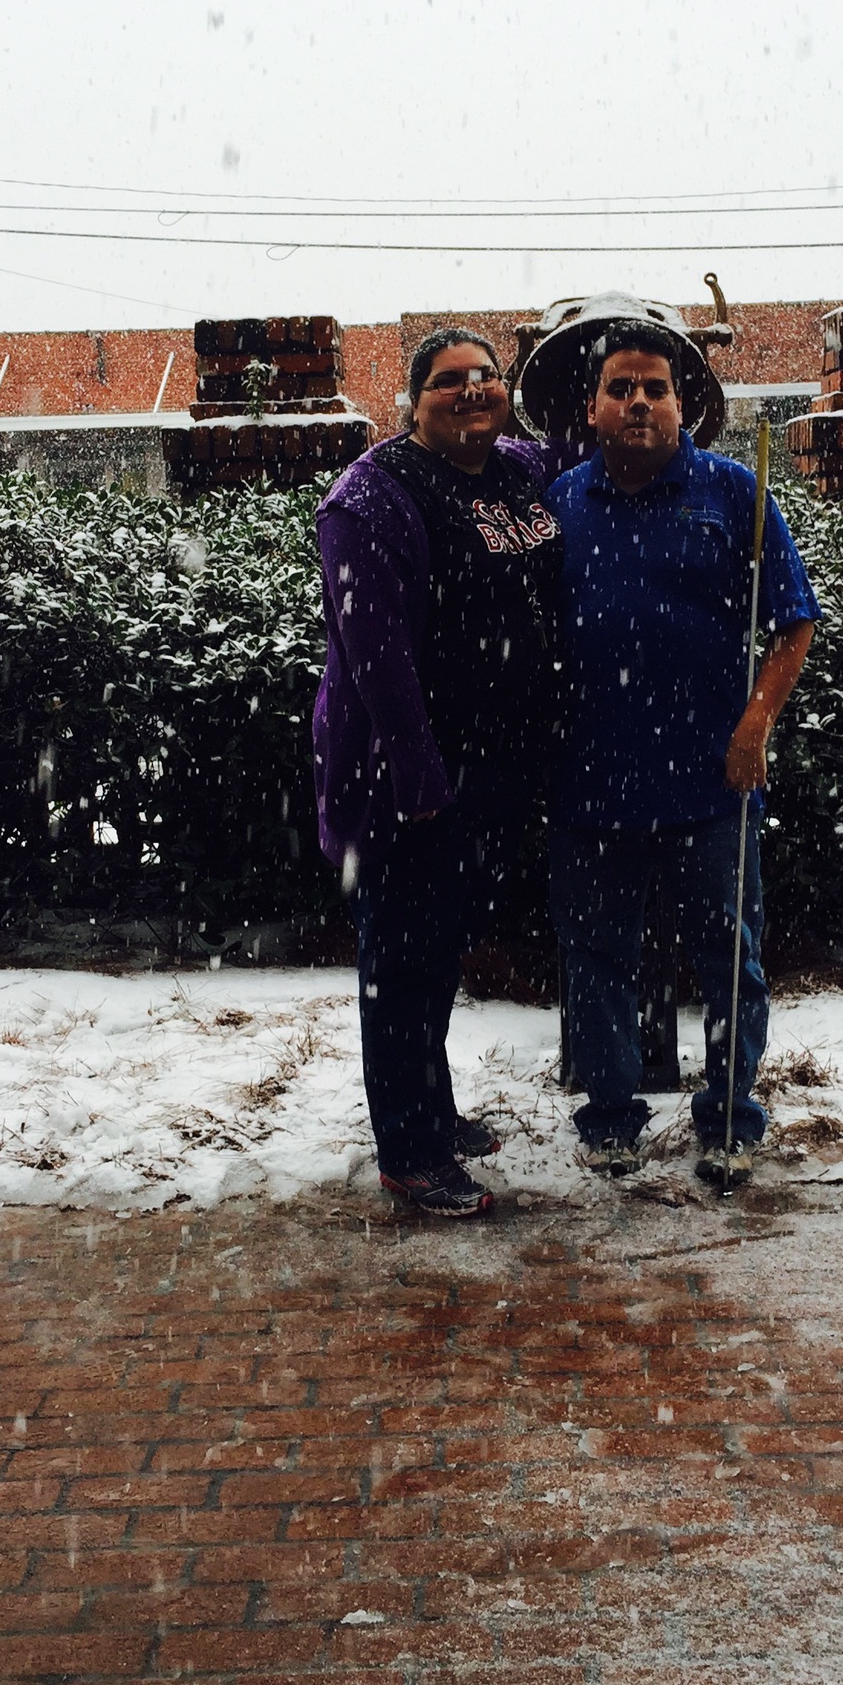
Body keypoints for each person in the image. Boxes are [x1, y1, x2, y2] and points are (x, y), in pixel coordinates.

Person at [539, 318, 819, 1188]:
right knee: (597, 961)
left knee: (729, 958)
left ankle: (730, 1118)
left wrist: (756, 722)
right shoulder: (559, 504)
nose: (638, 403)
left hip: (712, 779)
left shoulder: (735, 491)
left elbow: (794, 619)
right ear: (591, 408)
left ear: (681, 401)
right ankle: (612, 1118)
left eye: (654, 387)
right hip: (587, 780)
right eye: (620, 388)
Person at [312, 329, 564, 1217]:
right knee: (402, 964)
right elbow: (376, 662)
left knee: (440, 950)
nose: (472, 391)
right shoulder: (369, 501)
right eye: (448, 381)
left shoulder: (515, 468)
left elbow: (580, 426)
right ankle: (409, 1153)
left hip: (489, 769)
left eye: (487, 377)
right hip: (403, 778)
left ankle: (435, 1109)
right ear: (413, 401)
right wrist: (421, 789)